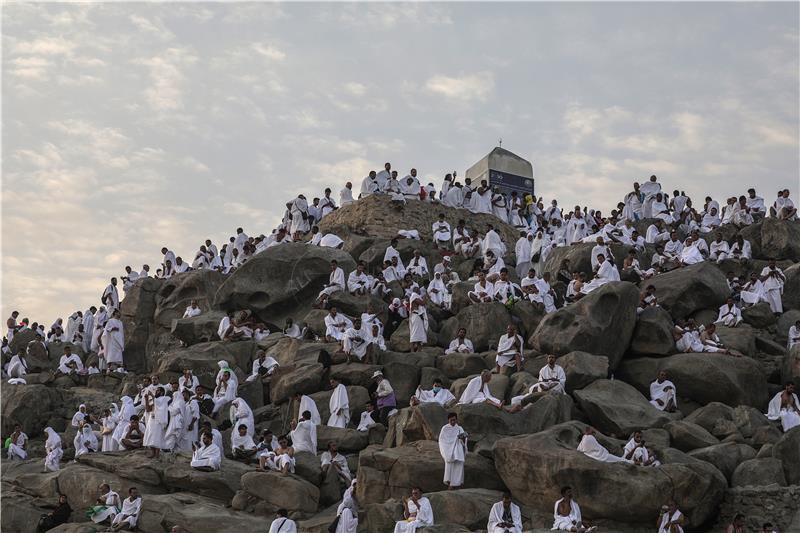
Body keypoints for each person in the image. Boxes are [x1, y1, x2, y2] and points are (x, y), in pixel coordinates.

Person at [438, 412, 467, 490]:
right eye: (451, 420)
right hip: (448, 450)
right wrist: (447, 448)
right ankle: (450, 484)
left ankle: (457, 484)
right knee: (449, 466)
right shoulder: (444, 428)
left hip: (457, 449)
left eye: (454, 420)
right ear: (448, 420)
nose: (453, 422)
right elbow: (441, 440)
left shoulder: (459, 428)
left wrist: (463, 437)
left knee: (458, 466)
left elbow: (464, 438)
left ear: (456, 419)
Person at [143, 387, 169, 458]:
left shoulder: (164, 399)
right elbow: (148, 409)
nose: (156, 392)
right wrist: (146, 399)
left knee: (157, 437)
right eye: (156, 390)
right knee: (150, 436)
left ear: (162, 392)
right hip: (151, 420)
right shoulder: (155, 400)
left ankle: (157, 454)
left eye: (158, 391)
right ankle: (153, 453)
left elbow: (159, 404)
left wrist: (151, 395)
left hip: (159, 420)